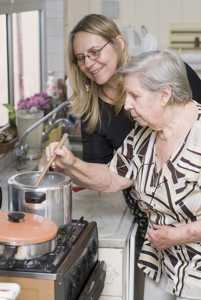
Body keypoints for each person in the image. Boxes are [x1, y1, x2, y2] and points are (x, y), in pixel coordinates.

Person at [46, 50, 201, 300]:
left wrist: (181, 234)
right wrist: (72, 163)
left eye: (135, 96)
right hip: (162, 263)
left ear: (164, 95)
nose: (126, 105)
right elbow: (111, 178)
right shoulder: (144, 134)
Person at [66, 13, 201, 251]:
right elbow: (109, 175)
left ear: (118, 43)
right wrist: (70, 165)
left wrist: (186, 231)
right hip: (153, 221)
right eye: (81, 58)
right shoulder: (97, 115)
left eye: (95, 52)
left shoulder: (168, 73)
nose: (88, 63)